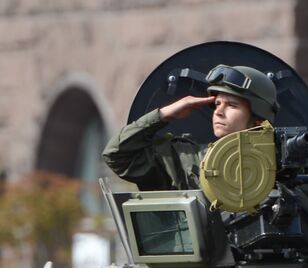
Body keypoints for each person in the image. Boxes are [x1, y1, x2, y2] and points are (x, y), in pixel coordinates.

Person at [102, 64, 279, 191]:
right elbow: (117, 155)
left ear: (258, 118)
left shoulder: (284, 164)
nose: (218, 112)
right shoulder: (186, 160)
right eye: (217, 104)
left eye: (232, 105)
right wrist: (164, 114)